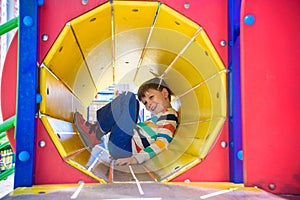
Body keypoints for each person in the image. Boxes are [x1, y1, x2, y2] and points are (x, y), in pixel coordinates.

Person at [74, 77, 179, 166]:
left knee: (128, 98)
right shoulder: (158, 118)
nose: (148, 104)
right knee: (129, 101)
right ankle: (96, 131)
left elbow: (162, 143)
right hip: (123, 146)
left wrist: (136, 159)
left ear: (165, 93)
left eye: (151, 97)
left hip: (125, 146)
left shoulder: (169, 116)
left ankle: (96, 132)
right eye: (145, 102)